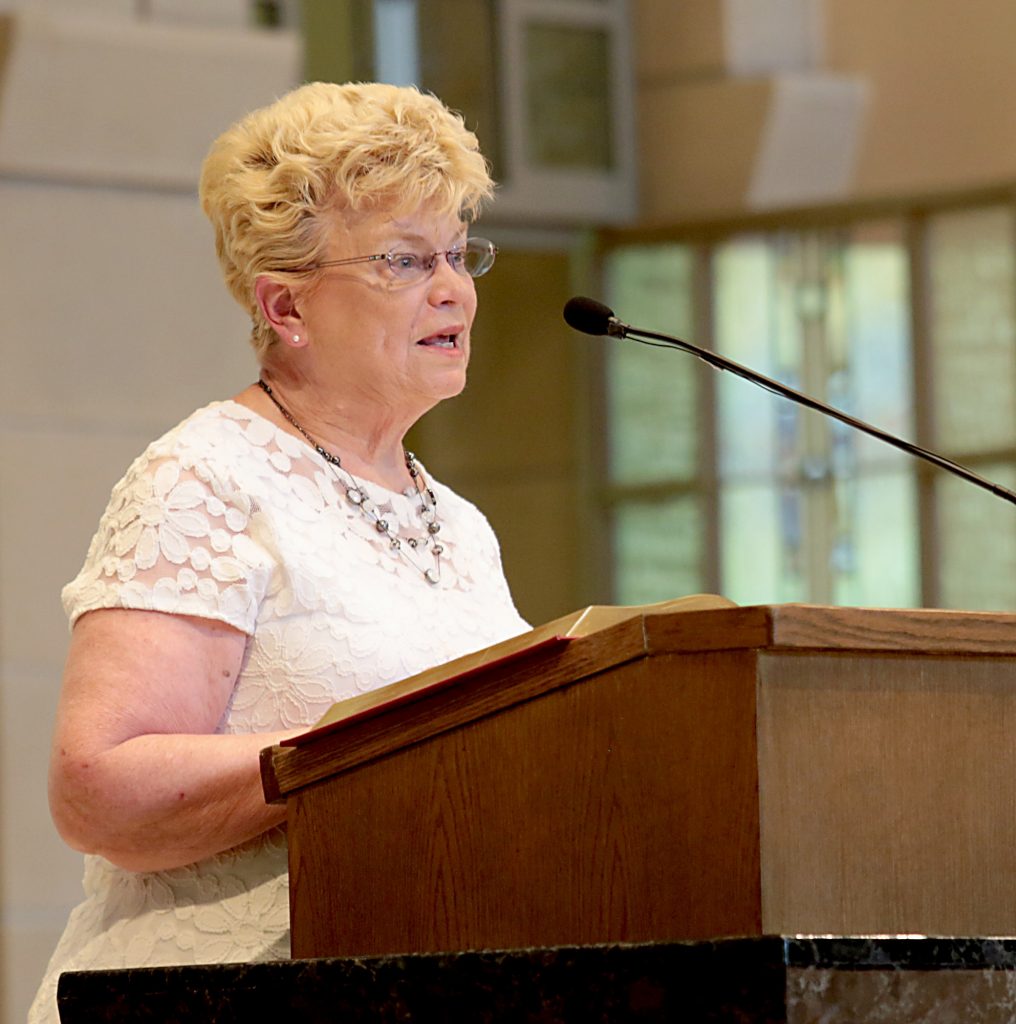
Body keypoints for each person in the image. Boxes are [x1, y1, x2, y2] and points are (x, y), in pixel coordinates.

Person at [29, 81, 530, 1022]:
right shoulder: (206, 479)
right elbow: (98, 789)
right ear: (287, 307)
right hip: (203, 1001)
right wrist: (374, 746)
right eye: (404, 260)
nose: (454, 288)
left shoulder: (461, 524)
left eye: (458, 255)